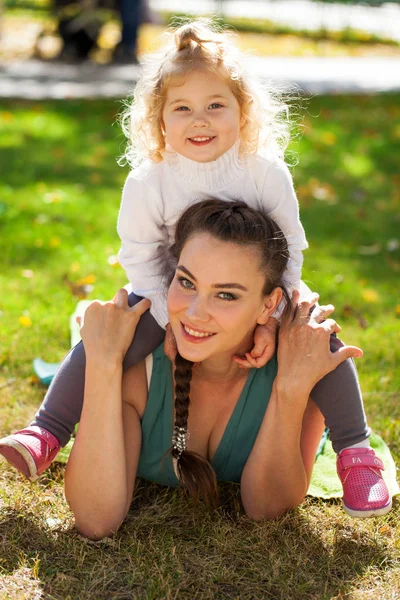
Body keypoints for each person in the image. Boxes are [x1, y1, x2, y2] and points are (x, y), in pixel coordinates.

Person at [0, 21, 391, 519]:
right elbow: (139, 255)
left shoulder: (264, 171)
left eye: (215, 105)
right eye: (181, 108)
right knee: (105, 341)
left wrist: (277, 316)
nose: (199, 120)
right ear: (159, 120)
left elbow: (290, 246)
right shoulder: (150, 181)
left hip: (268, 285)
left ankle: (356, 451)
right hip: (165, 291)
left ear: (242, 112)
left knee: (319, 338)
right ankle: (48, 429)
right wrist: (169, 314)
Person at [64, 199, 388, 540]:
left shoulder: (300, 364)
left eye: (227, 296)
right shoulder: (136, 367)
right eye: (187, 283)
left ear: (269, 305)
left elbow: (267, 510)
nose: (194, 313)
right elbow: (95, 519)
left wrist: (290, 390)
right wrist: (101, 364)